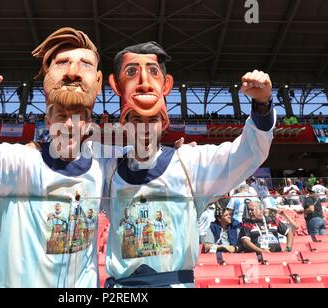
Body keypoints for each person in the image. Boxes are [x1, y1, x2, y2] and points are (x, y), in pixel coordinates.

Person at [0, 28, 107, 288]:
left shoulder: (100, 168)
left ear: (89, 124)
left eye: (78, 117)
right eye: (61, 116)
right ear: (48, 120)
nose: (70, 125)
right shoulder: (20, 162)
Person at [103, 41, 275, 287]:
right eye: (135, 119)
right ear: (123, 124)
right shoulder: (108, 167)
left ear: (163, 123)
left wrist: (262, 104)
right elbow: (64, 158)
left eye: (152, 119)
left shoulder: (189, 163)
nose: (143, 126)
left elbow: (248, 152)